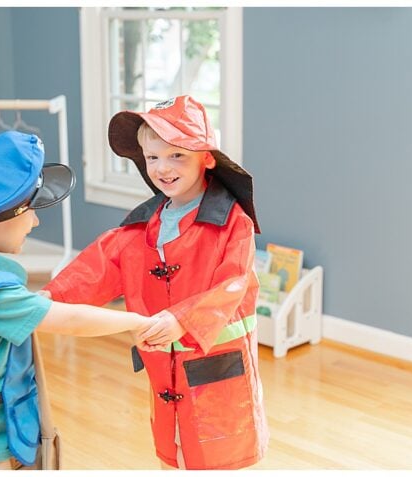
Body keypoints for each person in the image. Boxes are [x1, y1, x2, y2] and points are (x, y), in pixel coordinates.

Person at [42, 96, 267, 470]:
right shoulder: (141, 227)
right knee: (173, 452)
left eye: (177, 155)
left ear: (206, 157)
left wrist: (182, 319)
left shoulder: (232, 223)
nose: (162, 168)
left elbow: (233, 283)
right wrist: (44, 301)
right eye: (152, 157)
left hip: (219, 371)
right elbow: (95, 268)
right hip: (165, 370)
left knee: (218, 455)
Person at [0, 131, 158, 470]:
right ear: (0, 218)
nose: (36, 220)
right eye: (30, 210)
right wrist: (138, 321)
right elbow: (71, 321)